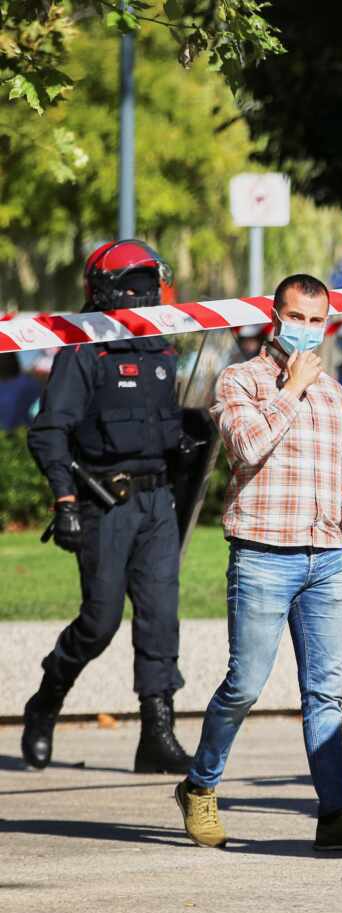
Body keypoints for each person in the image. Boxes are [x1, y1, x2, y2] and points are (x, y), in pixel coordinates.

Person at [174, 273, 342, 853]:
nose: (305, 329)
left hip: (326, 562)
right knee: (244, 683)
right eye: (296, 316)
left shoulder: (335, 393)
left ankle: (335, 813)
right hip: (263, 556)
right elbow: (246, 446)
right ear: (274, 315)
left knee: (325, 693)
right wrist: (291, 388)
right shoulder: (239, 380)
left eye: (316, 320)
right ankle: (200, 785)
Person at [21, 240, 193, 774]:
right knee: (99, 622)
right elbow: (49, 432)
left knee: (161, 618)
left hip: (157, 502)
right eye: (137, 283)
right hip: (105, 501)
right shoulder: (84, 351)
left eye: (151, 281)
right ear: (110, 290)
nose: (147, 293)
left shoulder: (160, 348)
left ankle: (157, 733)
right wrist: (65, 499)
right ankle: (45, 701)